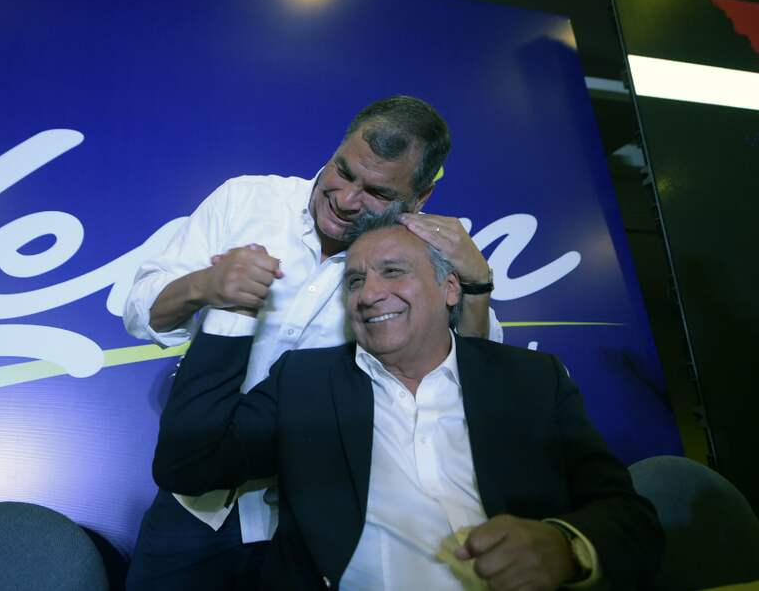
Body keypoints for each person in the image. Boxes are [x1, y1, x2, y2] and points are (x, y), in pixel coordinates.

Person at [153, 207, 664, 590]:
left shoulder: (532, 380)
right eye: (355, 279)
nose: (368, 292)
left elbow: (629, 516)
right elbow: (189, 465)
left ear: (448, 289)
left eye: (393, 271)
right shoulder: (306, 381)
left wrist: (565, 545)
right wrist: (231, 308)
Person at [124, 96, 503, 588]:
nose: (346, 199)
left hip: (325, 518)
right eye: (342, 171)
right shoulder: (247, 200)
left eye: (376, 192)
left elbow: (474, 377)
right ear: (336, 149)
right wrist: (204, 285)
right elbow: (141, 311)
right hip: (196, 510)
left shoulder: (429, 253)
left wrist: (477, 287)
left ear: (420, 198)